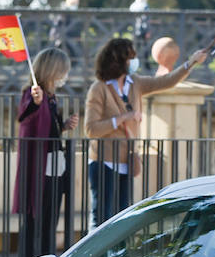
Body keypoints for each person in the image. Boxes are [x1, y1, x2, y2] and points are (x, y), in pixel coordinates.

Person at [84, 37, 207, 227]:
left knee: (121, 218)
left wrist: (191, 63)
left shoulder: (135, 83)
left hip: (126, 161)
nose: (134, 62)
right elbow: (91, 129)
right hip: (104, 162)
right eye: (130, 58)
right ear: (118, 61)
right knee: (101, 218)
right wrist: (122, 119)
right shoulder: (99, 89)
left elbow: (166, 81)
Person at [14, 48, 79, 257]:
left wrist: (63, 126)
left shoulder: (51, 97)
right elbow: (26, 116)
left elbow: (48, 128)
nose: (65, 75)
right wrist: (35, 102)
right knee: (35, 220)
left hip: (54, 165)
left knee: (51, 217)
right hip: (39, 167)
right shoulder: (33, 93)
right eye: (62, 70)